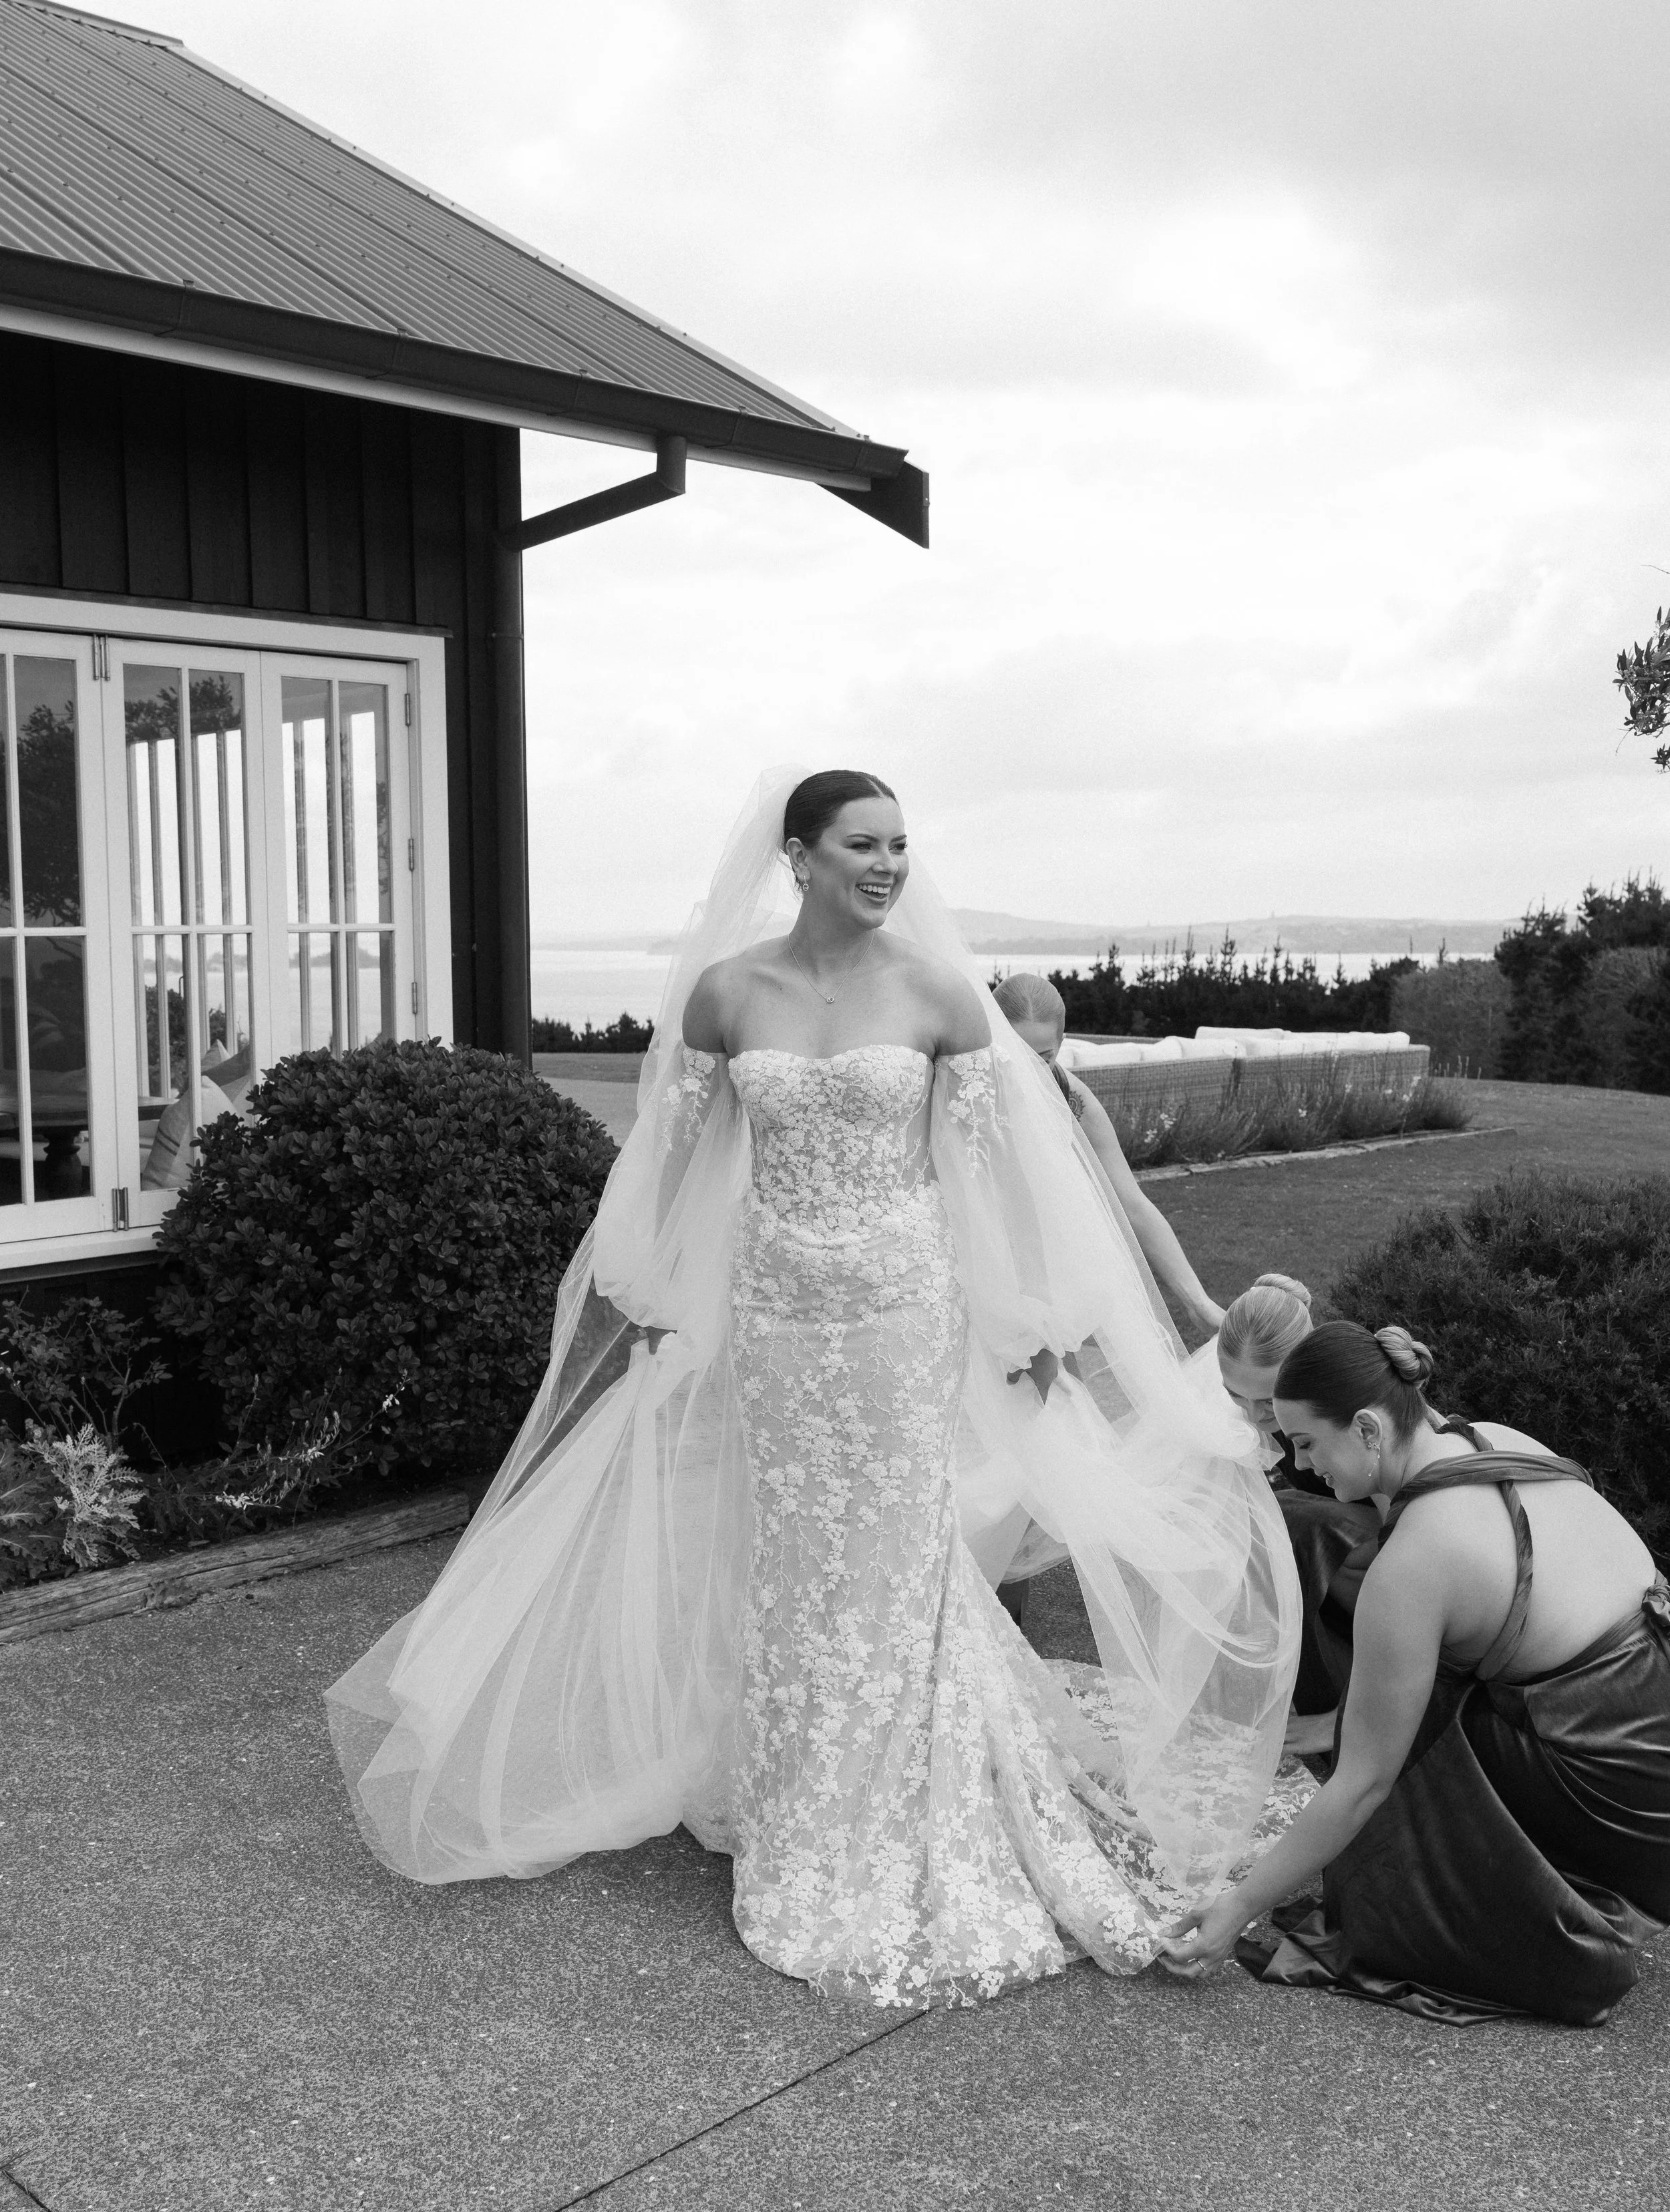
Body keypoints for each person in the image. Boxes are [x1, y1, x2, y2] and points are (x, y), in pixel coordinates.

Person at [326, 767, 1301, 2008]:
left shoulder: (940, 993)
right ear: (799, 856)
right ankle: (802, 1793)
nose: (888, 865)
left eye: (899, 845)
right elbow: (667, 1167)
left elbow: (996, 1177)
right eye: (862, 845)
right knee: (794, 1555)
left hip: (903, 1312)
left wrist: (1028, 1319)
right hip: (778, 1315)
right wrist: (644, 1300)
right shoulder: (729, 994)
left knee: (895, 1551)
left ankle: (905, 1799)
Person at [1159, 1320, 1670, 2024]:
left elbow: (1363, 1784)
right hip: (1653, 1725)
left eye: (1306, 1443)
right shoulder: (1491, 1438)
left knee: (1391, 1731)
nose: (1300, 1463)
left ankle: (1529, 1911)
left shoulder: (1416, 1565)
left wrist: (1237, 1907)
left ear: (1368, 1428)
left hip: (1622, 1809)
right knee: (1368, 1613)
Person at [993, 974, 1222, 1337]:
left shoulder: (1072, 1098)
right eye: (1017, 1054)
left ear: (1061, 1043)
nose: (1030, 1071)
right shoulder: (962, 1089)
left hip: (1041, 1273)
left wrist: (1197, 1301)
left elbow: (1131, 1203)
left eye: (1044, 1058)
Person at [1216, 1275, 1377, 1744]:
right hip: (1355, 1548)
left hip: (1412, 1553)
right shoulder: (1277, 1402)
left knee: (1287, 1521)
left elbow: (1414, 1524)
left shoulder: (1351, 1408)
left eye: (1267, 1401)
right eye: (1234, 1395)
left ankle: (1355, 1706)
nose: (1252, 1416)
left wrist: (1345, 1720)